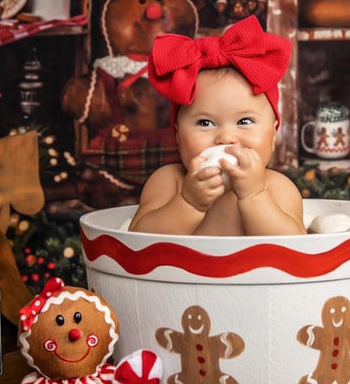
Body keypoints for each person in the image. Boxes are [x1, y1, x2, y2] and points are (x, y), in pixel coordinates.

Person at [129, 16, 306, 236]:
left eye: (244, 121)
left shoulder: (276, 187)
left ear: (272, 136)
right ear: (177, 135)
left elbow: (293, 245)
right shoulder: (169, 181)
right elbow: (138, 239)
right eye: (205, 123)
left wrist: (254, 196)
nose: (226, 137)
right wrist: (188, 203)